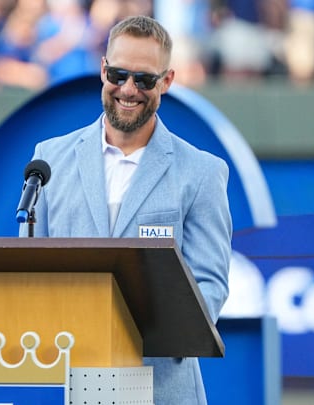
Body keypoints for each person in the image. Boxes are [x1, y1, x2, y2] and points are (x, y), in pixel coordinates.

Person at [20, 15, 232, 405]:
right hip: (73, 384)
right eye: (118, 75)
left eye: (144, 80)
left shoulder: (202, 172)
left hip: (164, 390)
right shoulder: (49, 159)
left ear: (167, 81)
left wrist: (153, 330)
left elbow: (211, 284)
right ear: (102, 70)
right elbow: (32, 272)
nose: (129, 89)